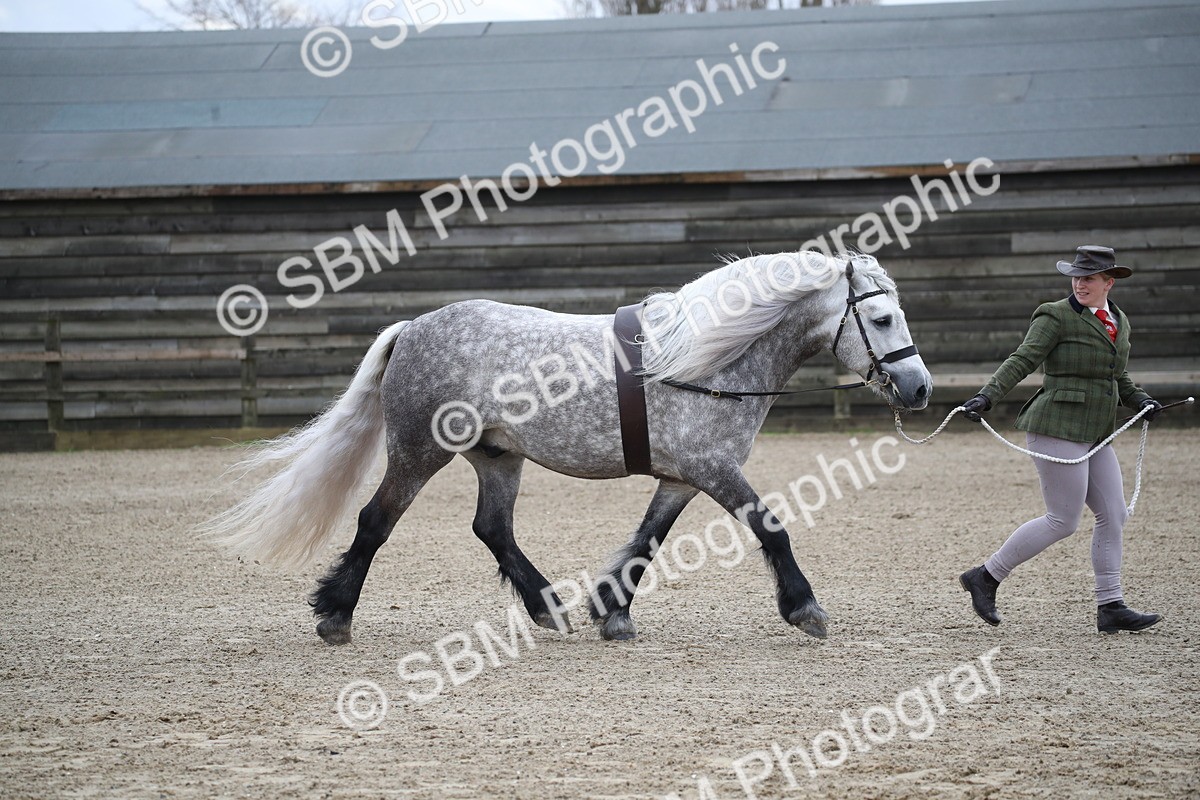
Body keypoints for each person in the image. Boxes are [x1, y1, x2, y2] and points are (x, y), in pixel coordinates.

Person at [958, 245, 1164, 634]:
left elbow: (1117, 377)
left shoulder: (1118, 320)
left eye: (1089, 278)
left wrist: (1142, 400)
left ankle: (1111, 606)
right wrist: (987, 395)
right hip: (1056, 425)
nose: (1080, 283)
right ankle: (985, 576)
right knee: (1063, 520)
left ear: (1108, 281)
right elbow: (1023, 359)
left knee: (1114, 514)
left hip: (1097, 431)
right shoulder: (1055, 315)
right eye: (1076, 276)